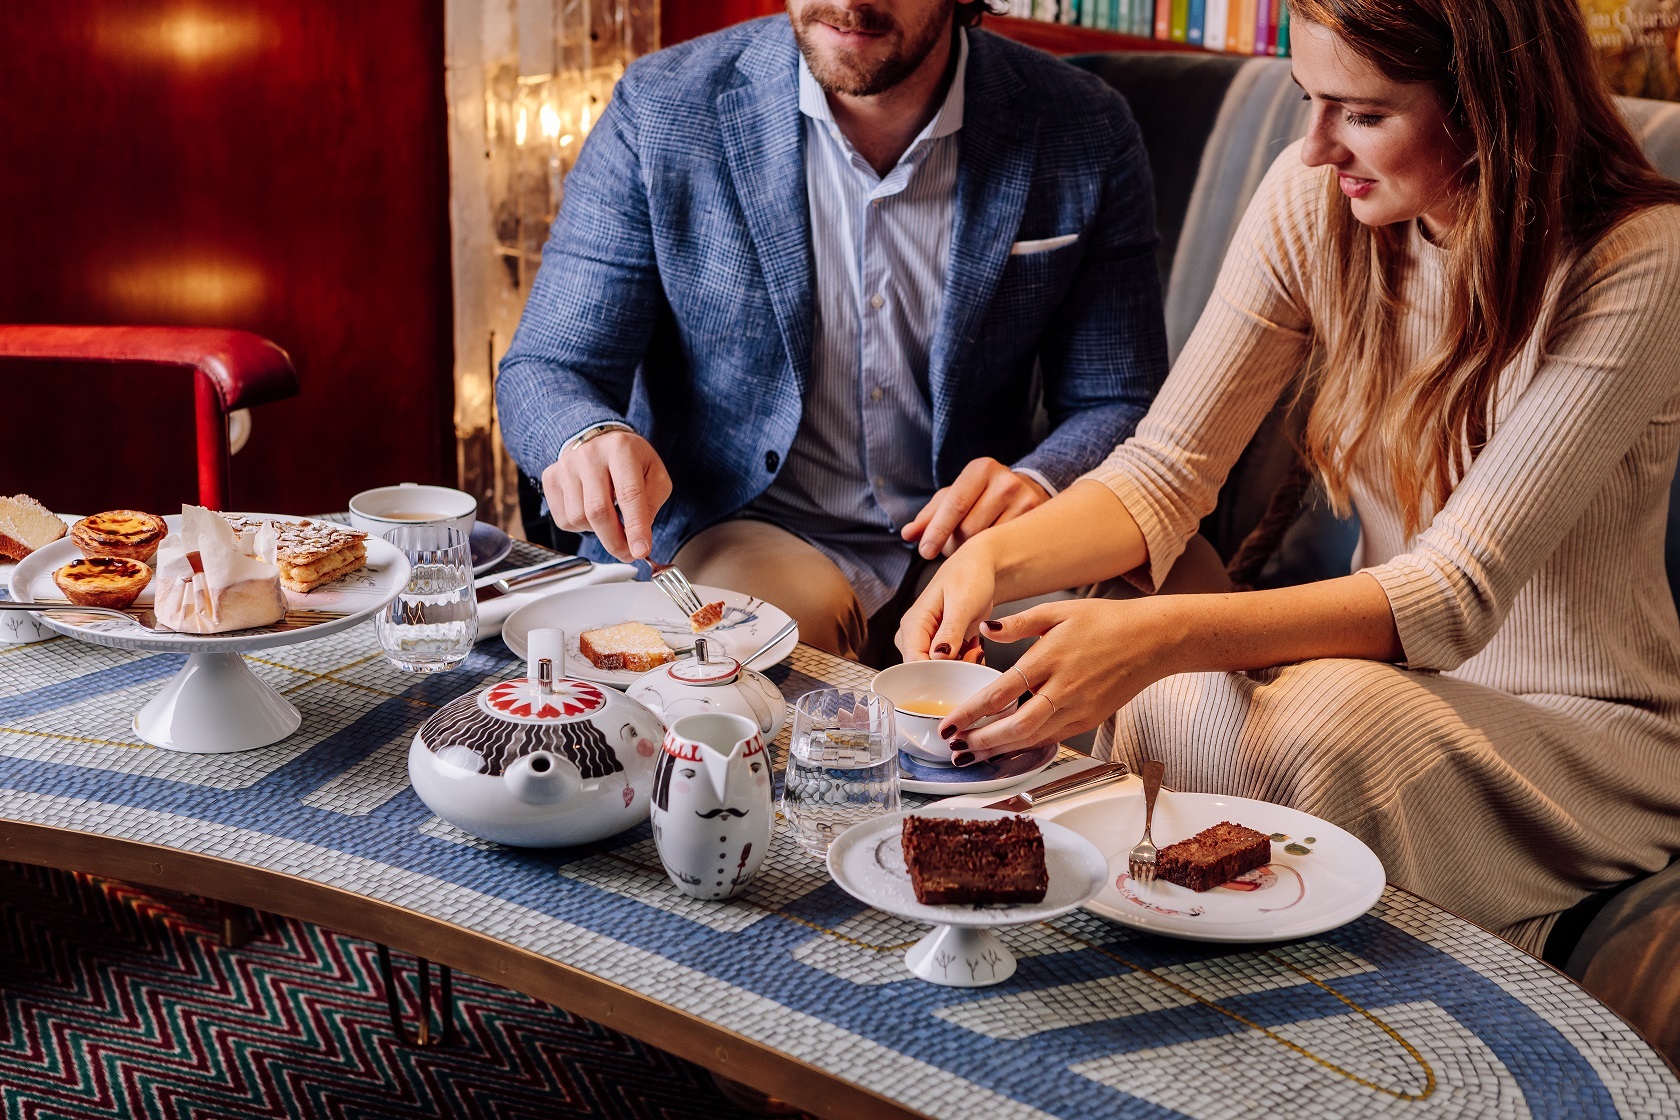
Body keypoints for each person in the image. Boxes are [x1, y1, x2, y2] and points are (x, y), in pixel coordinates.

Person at [898, 0, 1680, 954]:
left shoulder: (1641, 257)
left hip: (1578, 727)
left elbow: (1455, 591)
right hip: (1383, 675)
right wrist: (990, 561)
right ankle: (1143, 1023)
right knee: (1178, 694)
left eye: (1361, 113)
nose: (1314, 147)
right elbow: (1164, 472)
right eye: (1307, 98)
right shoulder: (1321, 198)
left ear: (1489, 105)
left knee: (1324, 717)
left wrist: (1160, 632)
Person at [496, 0, 1169, 661]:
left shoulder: (1086, 125)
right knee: (742, 661)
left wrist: (1044, 480)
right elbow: (551, 367)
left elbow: (1119, 399)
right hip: (755, 528)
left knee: (1173, 627)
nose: (848, 3)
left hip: (982, 539)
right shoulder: (662, 108)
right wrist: (586, 435)